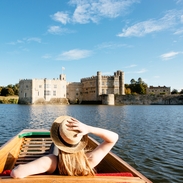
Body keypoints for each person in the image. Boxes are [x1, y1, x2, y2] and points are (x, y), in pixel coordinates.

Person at [10, 116, 118, 178]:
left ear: (57, 139)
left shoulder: (50, 161)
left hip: (54, 161)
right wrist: (88, 128)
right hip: (78, 161)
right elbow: (114, 138)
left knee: (53, 151)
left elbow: (16, 173)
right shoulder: (89, 160)